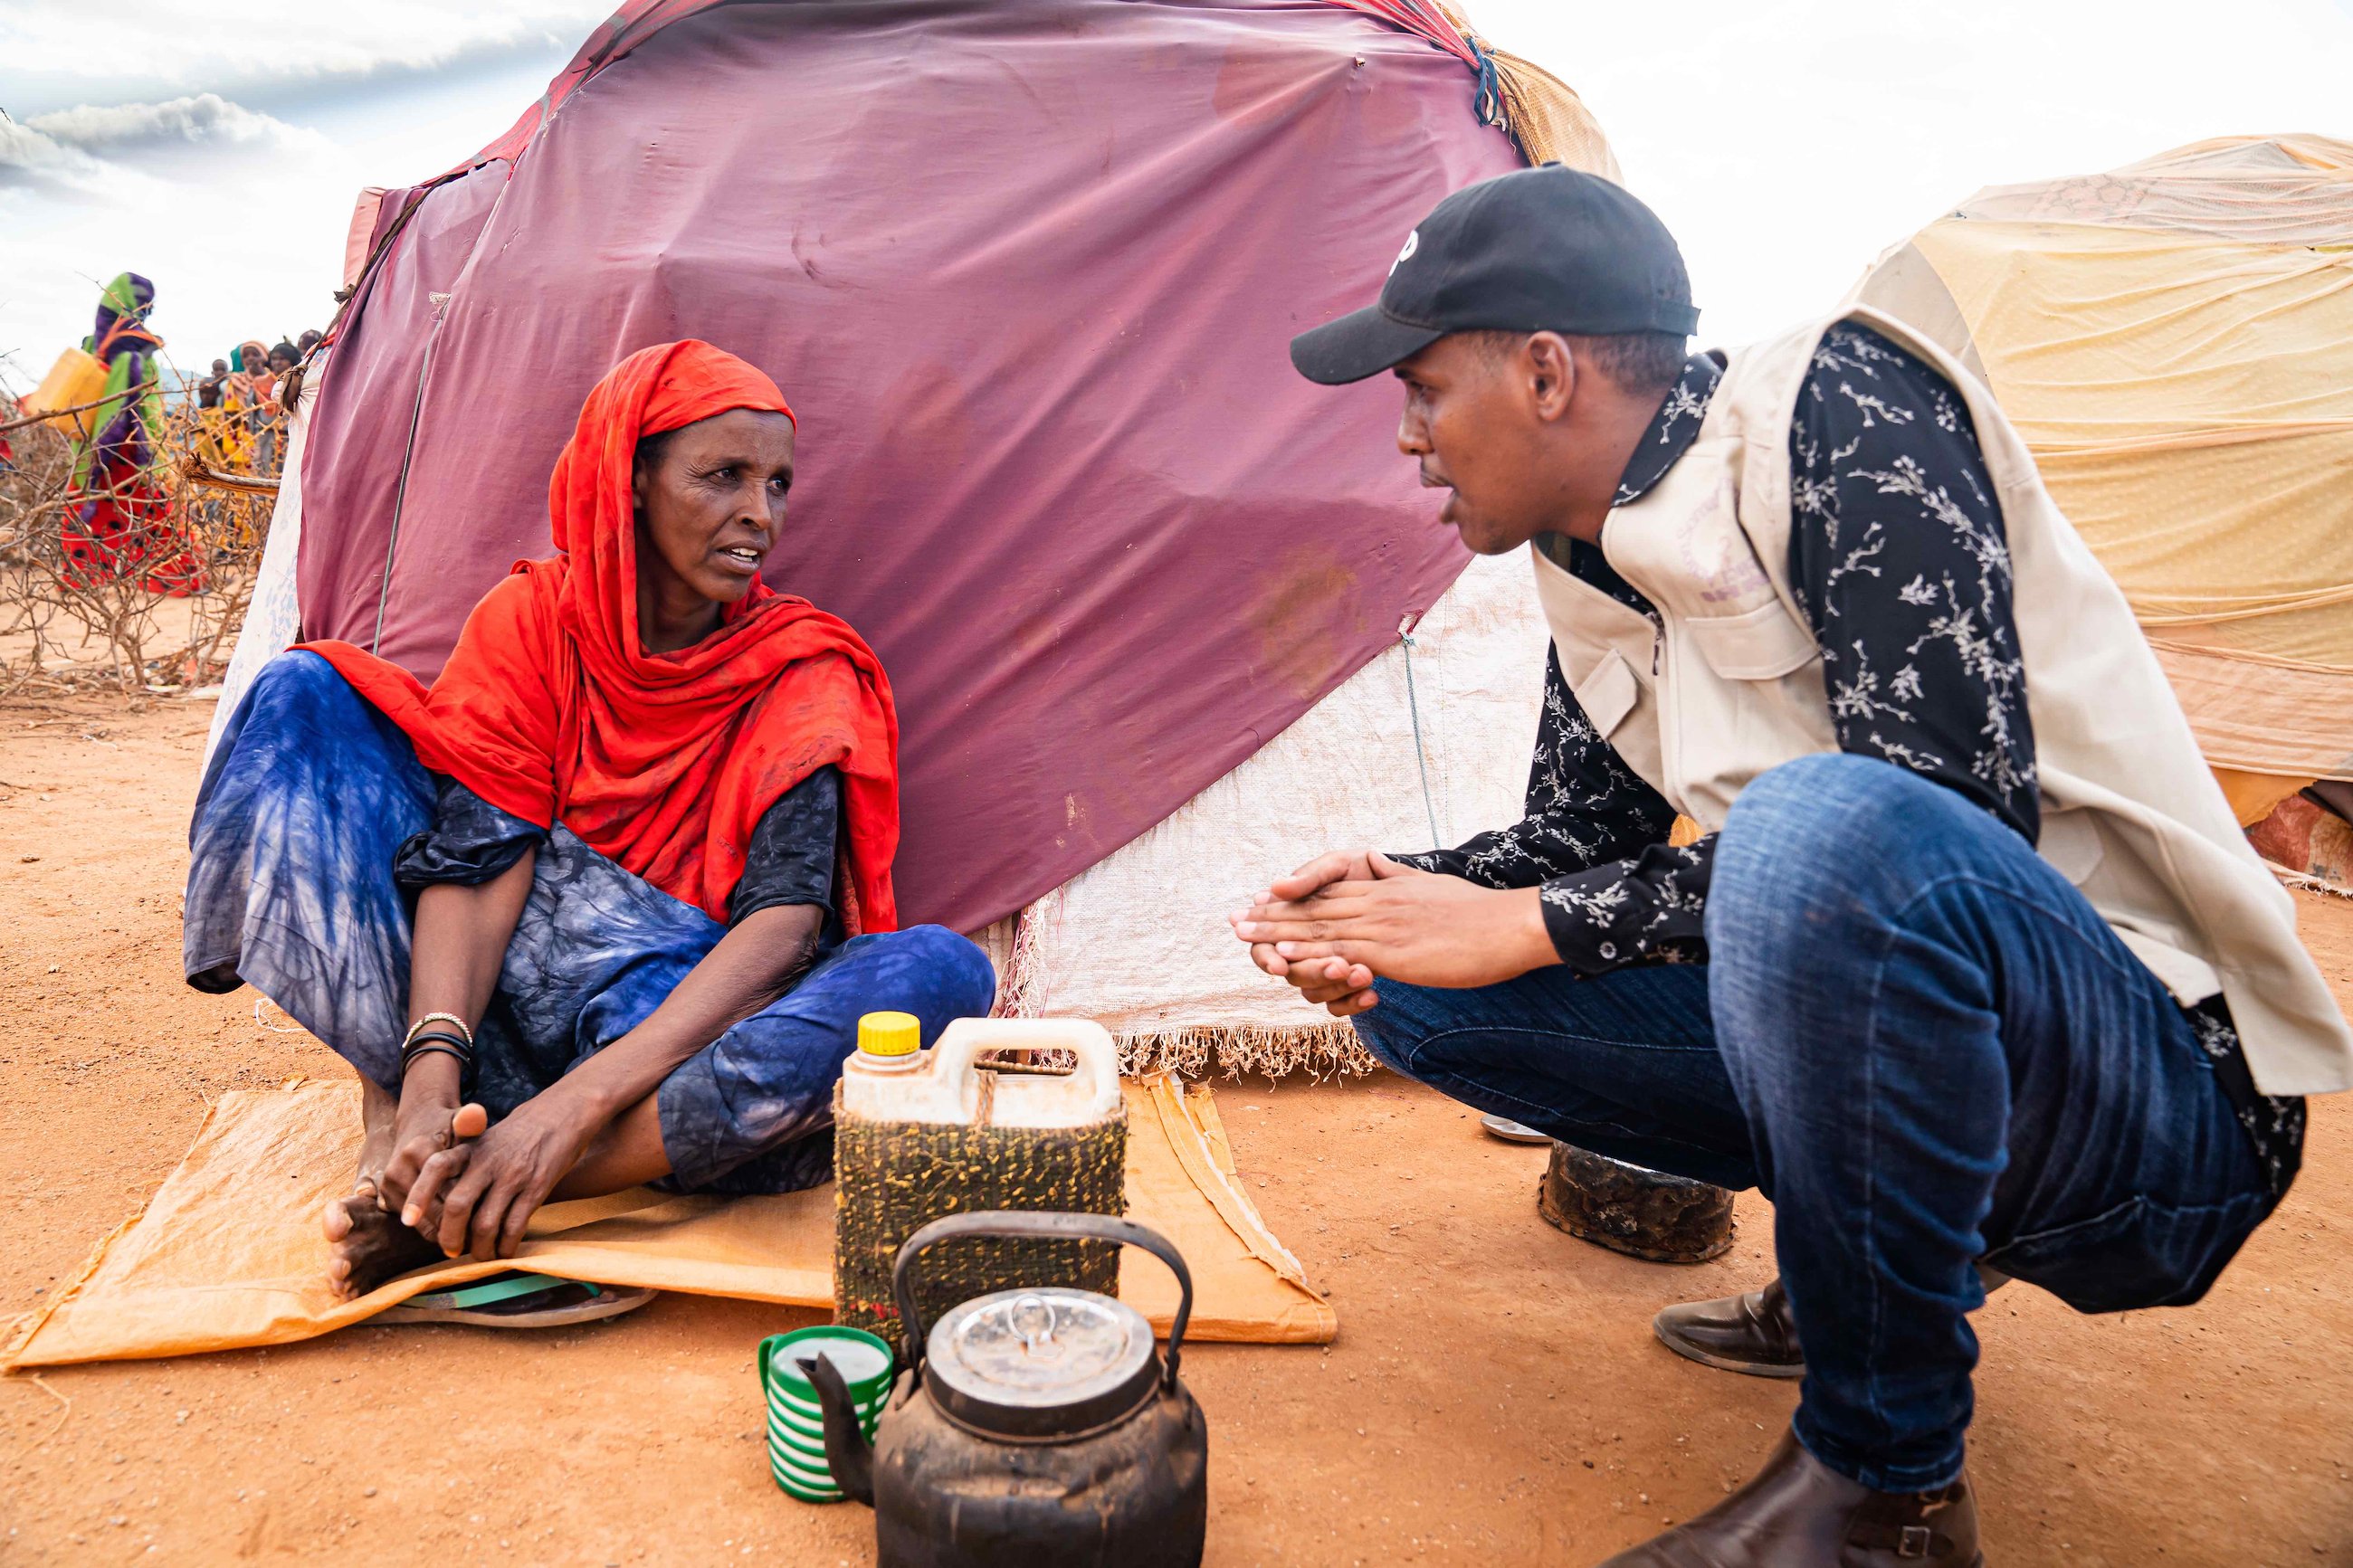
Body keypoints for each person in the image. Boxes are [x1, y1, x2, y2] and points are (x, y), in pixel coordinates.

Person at [1234, 166, 2349, 1564]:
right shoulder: (1590, 559)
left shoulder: (1840, 409)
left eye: (1422, 391)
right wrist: (1385, 899)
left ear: (1542, 372)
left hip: (2161, 1099)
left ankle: (1888, 1496)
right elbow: (1580, 846)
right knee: (1418, 983)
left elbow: (1942, 814)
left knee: (1818, 826)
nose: (1405, 440)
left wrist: (1530, 919)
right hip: (1956, 1050)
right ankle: (1865, 1279)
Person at [185, 339, 995, 1319]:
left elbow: (783, 926)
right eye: (723, 476)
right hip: (501, 1015)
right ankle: (415, 1115)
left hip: (669, 1045)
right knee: (304, 695)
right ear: (631, 480)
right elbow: (478, 855)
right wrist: (434, 1067)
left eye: (777, 483)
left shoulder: (799, 665)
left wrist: (562, 1119)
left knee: (943, 973)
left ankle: (479, 1186)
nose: (759, 514)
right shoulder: (534, 620)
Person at [62, 272, 202, 594]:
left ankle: (81, 578)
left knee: (91, 504)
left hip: (90, 444)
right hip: (130, 443)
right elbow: (141, 400)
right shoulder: (135, 342)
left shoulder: (92, 343)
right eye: (144, 304)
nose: (146, 311)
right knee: (154, 511)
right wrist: (154, 444)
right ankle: (176, 576)